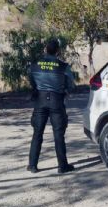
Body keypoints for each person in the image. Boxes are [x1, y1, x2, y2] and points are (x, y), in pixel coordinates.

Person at [27, 38, 76, 174]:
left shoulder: (34, 64)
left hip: (40, 101)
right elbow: (71, 84)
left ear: (45, 50)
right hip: (57, 101)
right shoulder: (63, 66)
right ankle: (62, 166)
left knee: (37, 133)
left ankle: (32, 165)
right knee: (58, 134)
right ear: (58, 51)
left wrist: (37, 88)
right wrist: (65, 90)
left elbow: (31, 80)